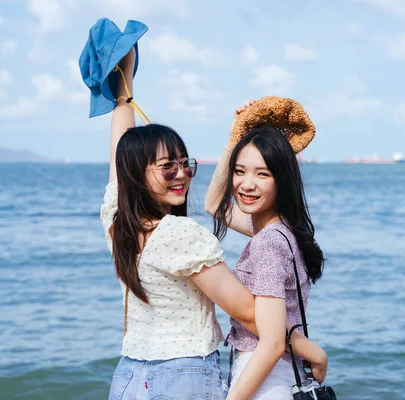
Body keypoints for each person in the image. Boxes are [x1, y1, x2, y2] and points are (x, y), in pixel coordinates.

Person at [102, 51, 322, 400]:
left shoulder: (118, 221)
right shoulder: (179, 235)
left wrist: (122, 92)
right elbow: (251, 314)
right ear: (137, 175)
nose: (182, 174)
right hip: (180, 377)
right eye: (166, 167)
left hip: (129, 376)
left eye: (184, 163)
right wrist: (312, 351)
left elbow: (119, 150)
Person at [205, 104, 328, 399]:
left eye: (262, 174)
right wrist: (234, 138)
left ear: (281, 180)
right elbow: (213, 204)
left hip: (264, 379)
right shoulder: (284, 230)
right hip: (284, 375)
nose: (247, 184)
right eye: (239, 171)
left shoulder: (268, 242)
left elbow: (272, 343)